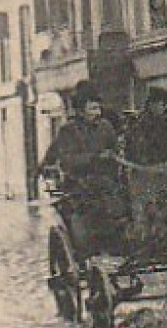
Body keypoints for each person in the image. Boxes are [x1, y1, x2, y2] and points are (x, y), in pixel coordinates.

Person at [40, 82, 127, 251]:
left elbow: (115, 150)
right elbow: (67, 160)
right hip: (78, 183)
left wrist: (118, 154)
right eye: (92, 109)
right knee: (92, 206)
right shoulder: (69, 131)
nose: (97, 113)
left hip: (107, 180)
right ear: (80, 110)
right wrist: (95, 158)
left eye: (98, 108)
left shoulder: (106, 127)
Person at [124, 87, 167, 165]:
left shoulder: (165, 121)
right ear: (152, 104)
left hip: (162, 167)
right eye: (163, 105)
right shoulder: (139, 123)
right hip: (144, 167)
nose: (166, 108)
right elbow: (136, 148)